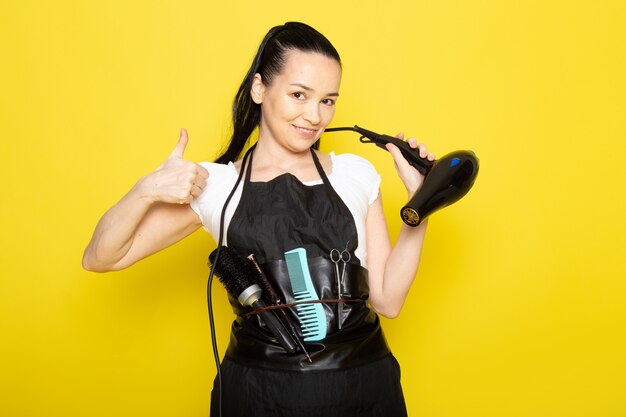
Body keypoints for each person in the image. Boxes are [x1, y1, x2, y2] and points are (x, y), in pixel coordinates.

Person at [83, 21, 435, 417]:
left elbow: (388, 300)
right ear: (259, 89)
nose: (314, 116)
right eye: (299, 95)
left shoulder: (355, 173)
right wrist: (145, 189)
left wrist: (420, 206)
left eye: (327, 101)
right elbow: (101, 256)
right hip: (259, 396)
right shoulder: (215, 185)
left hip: (364, 389)